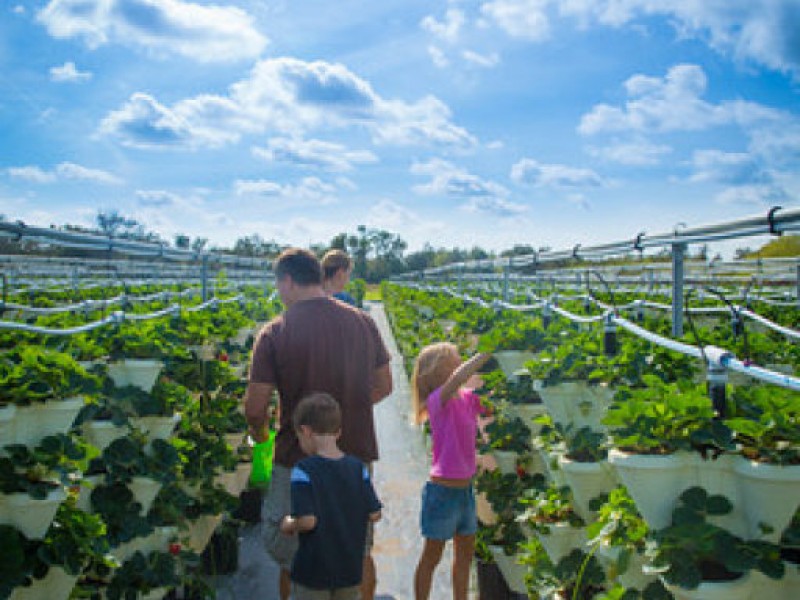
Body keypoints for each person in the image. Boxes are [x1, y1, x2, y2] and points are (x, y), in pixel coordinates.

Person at [245, 247, 392, 600]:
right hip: (353, 456)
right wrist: (345, 413)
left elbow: (255, 408)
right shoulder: (363, 322)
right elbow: (385, 385)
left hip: (296, 459)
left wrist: (262, 436)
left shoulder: (275, 332)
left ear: (288, 281)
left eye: (278, 285)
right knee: (356, 549)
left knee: (291, 554)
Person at [280, 392, 383, 600]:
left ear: (305, 431)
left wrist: (288, 523)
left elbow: (308, 521)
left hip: (313, 573)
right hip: (350, 571)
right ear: (338, 433)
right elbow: (375, 514)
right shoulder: (358, 468)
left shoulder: (303, 470)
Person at [410, 343, 492, 600]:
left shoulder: (467, 398)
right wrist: (486, 352)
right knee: (432, 556)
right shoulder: (437, 401)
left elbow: (489, 407)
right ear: (439, 369)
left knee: (465, 557)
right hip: (442, 493)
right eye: (455, 360)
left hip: (465, 492)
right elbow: (459, 378)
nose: (461, 364)